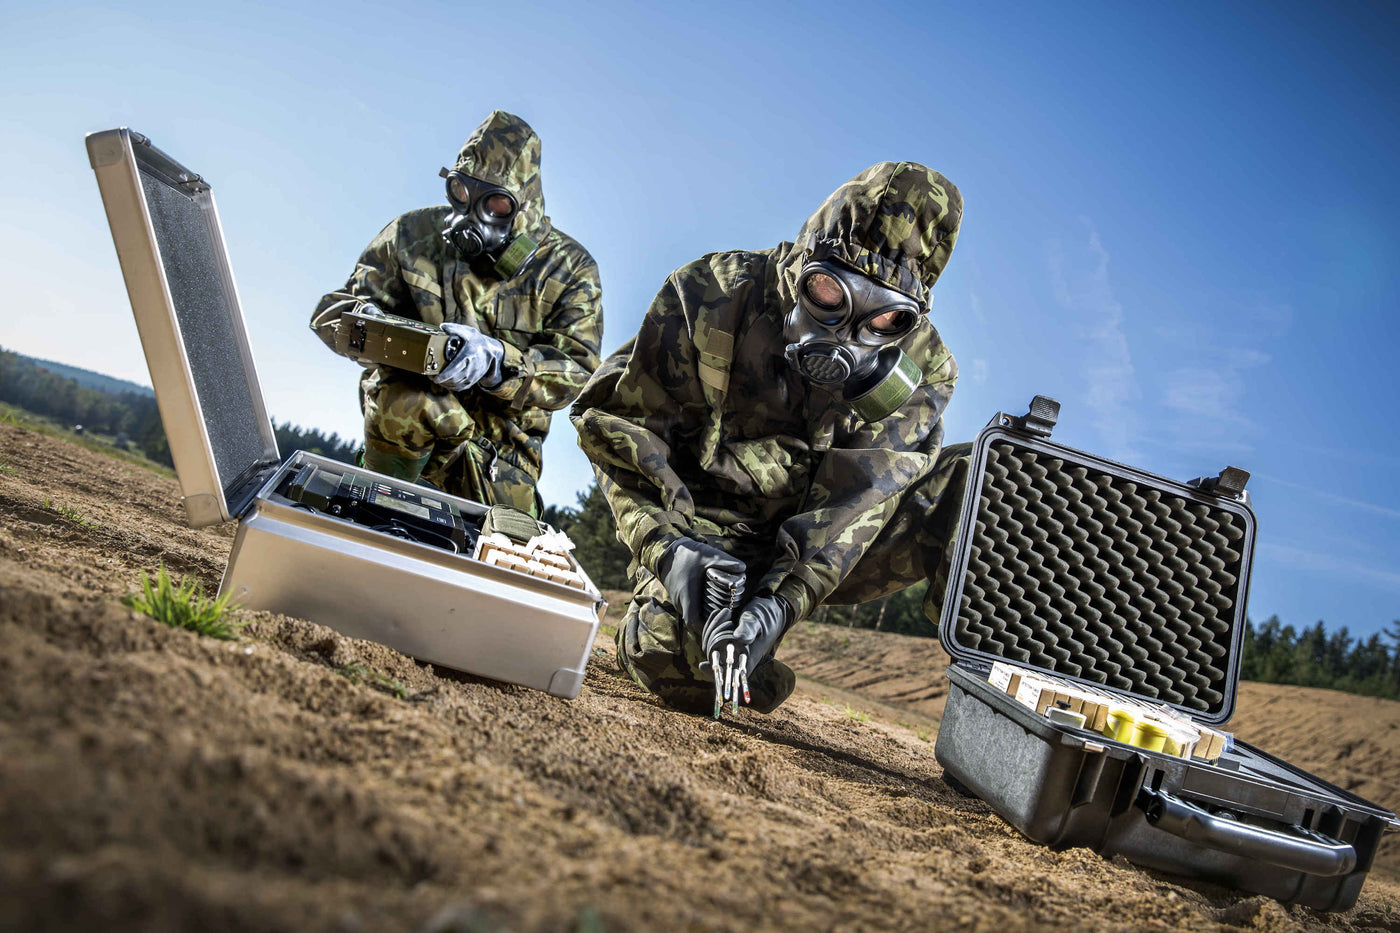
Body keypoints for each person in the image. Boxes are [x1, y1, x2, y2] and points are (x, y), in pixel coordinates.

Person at [571, 161, 969, 714]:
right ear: (804, 260)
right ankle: (724, 641)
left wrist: (780, 604)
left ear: (911, 317)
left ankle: (998, 715)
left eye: (885, 320)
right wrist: (668, 549)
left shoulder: (921, 367)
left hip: (837, 542)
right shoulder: (709, 293)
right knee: (676, 663)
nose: (847, 329)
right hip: (703, 528)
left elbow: (861, 499)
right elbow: (622, 429)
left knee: (990, 488)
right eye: (830, 290)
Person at [311, 110, 602, 517]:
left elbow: (579, 373)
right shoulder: (412, 235)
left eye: (496, 202)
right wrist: (378, 331)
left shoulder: (569, 269)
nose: (474, 211)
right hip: (408, 427)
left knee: (493, 555)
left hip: (500, 460)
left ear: (525, 206)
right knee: (408, 400)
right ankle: (375, 512)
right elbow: (332, 311)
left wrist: (497, 362)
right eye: (462, 192)